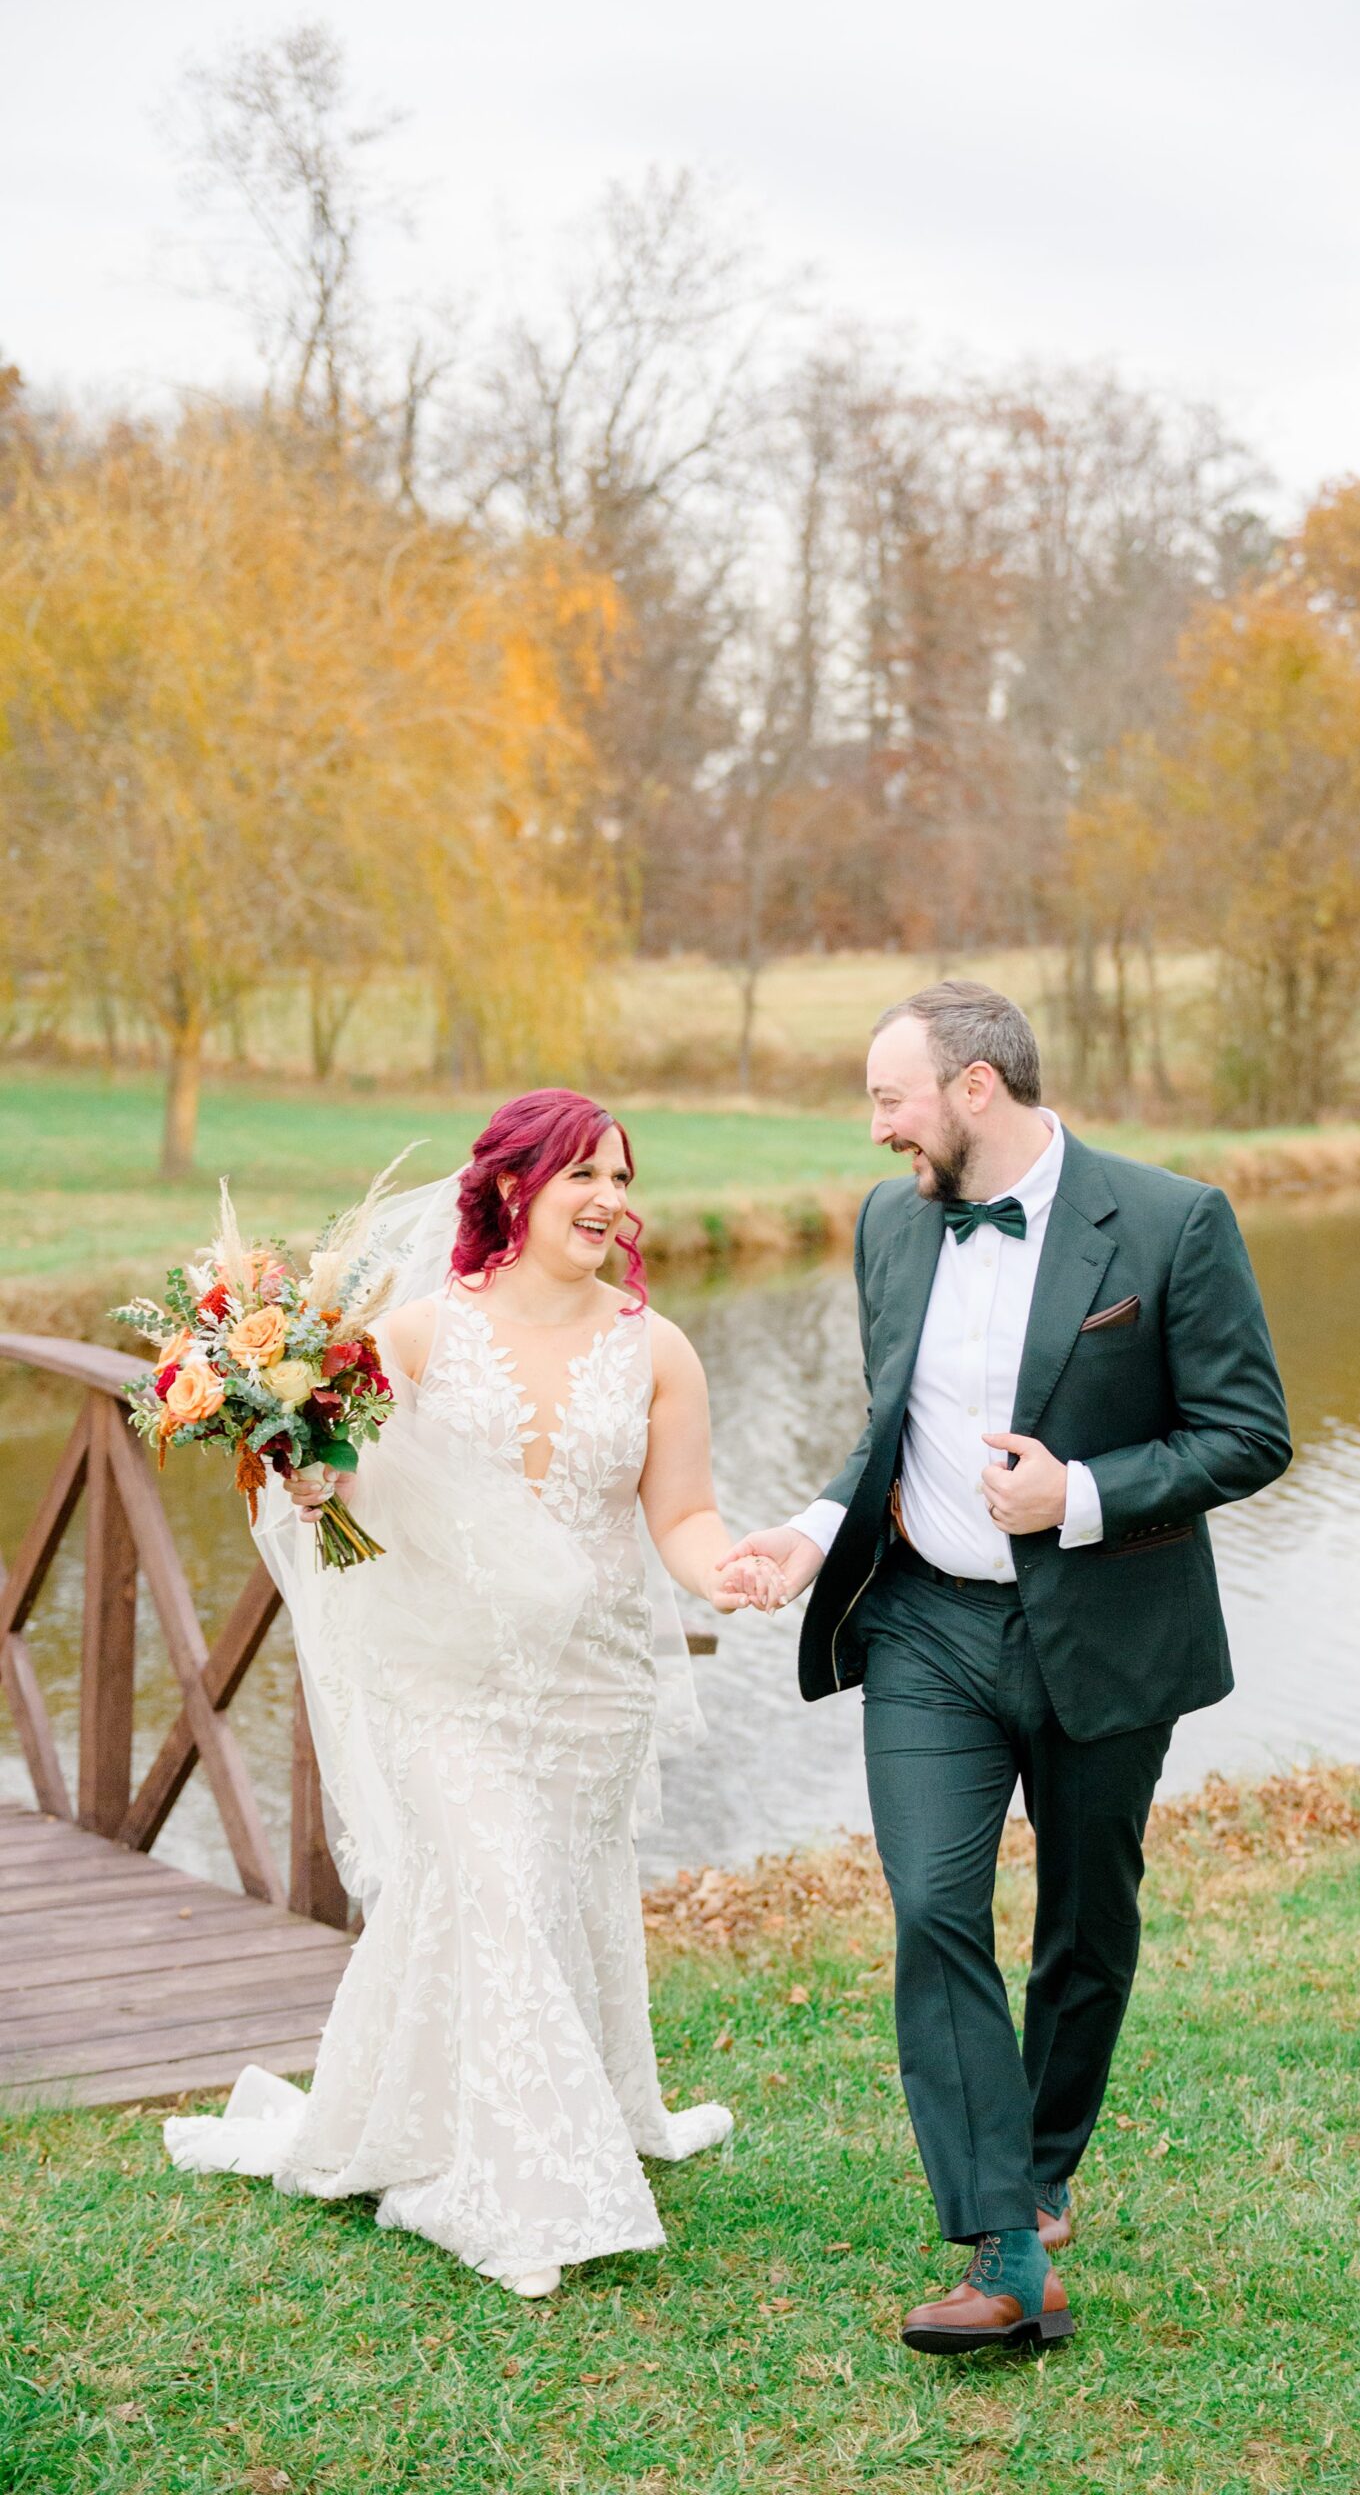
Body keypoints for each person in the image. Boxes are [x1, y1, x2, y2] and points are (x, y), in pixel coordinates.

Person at [724, 983, 1290, 2354]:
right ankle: (1001, 2249)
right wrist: (812, 1534)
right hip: (924, 1626)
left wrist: (1079, 1495)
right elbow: (888, 1421)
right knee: (929, 1907)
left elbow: (1248, 1433)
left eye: (888, 1097)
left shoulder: (1170, 1222)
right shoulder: (883, 1223)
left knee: (1084, 1924)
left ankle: (1039, 2173)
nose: (874, 1130)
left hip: (1101, 1627)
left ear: (973, 1089)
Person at [164, 1090, 781, 2296]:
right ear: (511, 1188)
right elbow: (345, 1479)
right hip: (446, 1686)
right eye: (581, 1176)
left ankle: (463, 2106)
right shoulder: (415, 1337)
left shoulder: (657, 1349)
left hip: (593, 1688)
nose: (609, 1199)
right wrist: (311, 1486)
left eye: (619, 1175)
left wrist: (731, 1569)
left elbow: (685, 1519)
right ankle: (515, 2200)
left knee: (536, 1899)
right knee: (495, 1883)